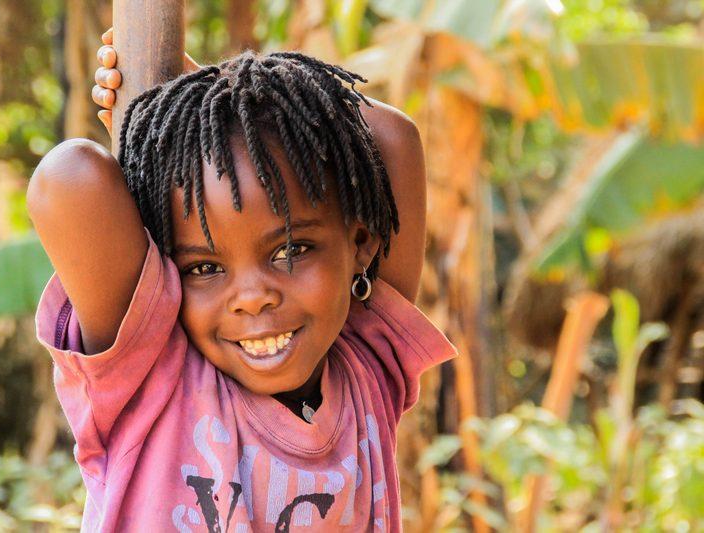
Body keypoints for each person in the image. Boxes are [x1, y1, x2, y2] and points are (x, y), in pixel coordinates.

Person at [28, 26, 457, 532]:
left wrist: (233, 98)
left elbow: (394, 139)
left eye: (290, 250)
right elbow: (68, 178)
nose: (252, 298)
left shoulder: (367, 366)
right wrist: (178, 113)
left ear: (360, 244)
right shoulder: (152, 381)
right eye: (205, 268)